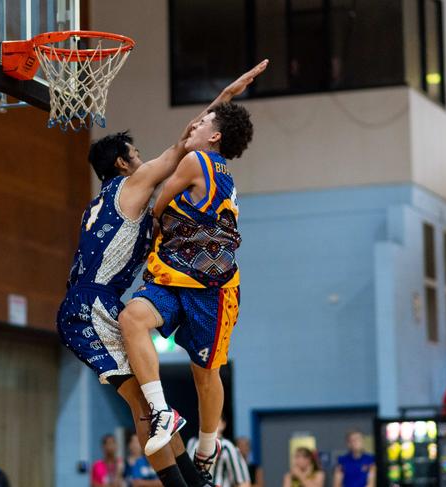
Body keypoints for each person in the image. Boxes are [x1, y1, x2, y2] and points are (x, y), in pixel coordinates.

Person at [57, 60, 269, 487]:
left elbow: (193, 141)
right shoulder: (130, 188)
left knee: (146, 402)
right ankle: (181, 469)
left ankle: (190, 475)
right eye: (136, 156)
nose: (144, 160)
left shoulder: (101, 202)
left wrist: (224, 102)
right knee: (142, 402)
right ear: (121, 163)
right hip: (89, 309)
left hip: (93, 303)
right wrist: (222, 101)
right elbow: (182, 145)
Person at [119, 60, 269, 480]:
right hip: (177, 276)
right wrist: (227, 94)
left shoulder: (198, 164)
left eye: (203, 122)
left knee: (207, 376)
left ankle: (207, 448)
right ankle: (163, 412)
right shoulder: (210, 162)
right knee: (133, 319)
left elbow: (161, 203)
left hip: (213, 288)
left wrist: (149, 219)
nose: (193, 125)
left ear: (214, 136)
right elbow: (195, 130)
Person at [187, 416, 250, 487]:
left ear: (223, 424)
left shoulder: (227, 447)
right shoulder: (192, 442)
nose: (207, 422)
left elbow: (243, 482)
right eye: (204, 419)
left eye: (213, 419)